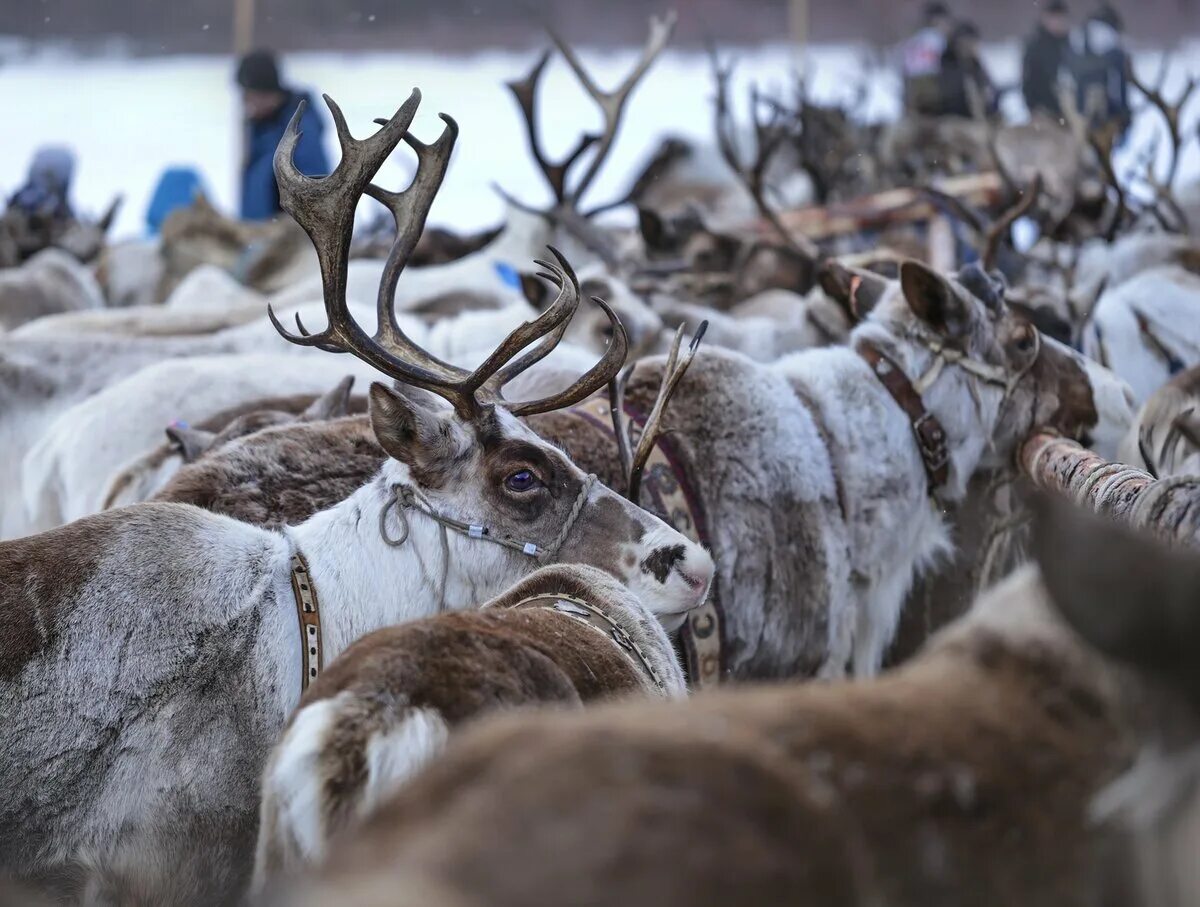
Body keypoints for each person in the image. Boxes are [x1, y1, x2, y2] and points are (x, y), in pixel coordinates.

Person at [236, 49, 330, 221]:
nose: (245, 103)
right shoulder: (260, 128)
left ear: (264, 93)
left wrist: (286, 228)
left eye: (248, 95)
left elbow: (315, 190)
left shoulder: (300, 129)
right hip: (258, 238)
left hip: (289, 241)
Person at [1070, 5, 1130, 137]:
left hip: (1077, 115)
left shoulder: (1077, 38)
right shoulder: (1112, 44)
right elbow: (1118, 84)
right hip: (1105, 113)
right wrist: (1123, 113)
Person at [901, 2, 954, 115]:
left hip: (912, 95)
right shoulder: (937, 39)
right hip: (934, 92)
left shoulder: (913, 40)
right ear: (937, 20)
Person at [1022, 0, 1073, 119]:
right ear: (1045, 18)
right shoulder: (1035, 47)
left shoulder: (1070, 45)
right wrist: (1034, 109)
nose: (1058, 22)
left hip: (1069, 113)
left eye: (1061, 18)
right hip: (1044, 113)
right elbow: (1027, 82)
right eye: (1055, 18)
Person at [938, 22, 998, 119]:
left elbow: (991, 95)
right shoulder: (948, 67)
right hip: (955, 120)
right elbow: (951, 99)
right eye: (966, 44)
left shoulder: (976, 67)